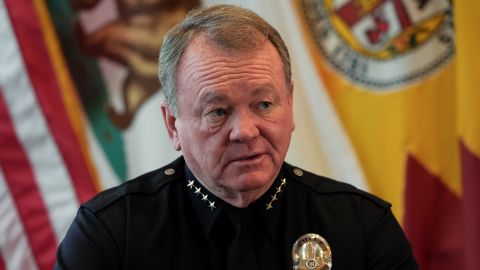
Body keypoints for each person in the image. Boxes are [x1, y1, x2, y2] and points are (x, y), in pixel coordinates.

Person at [55, 4, 418, 270]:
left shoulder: (362, 226)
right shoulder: (110, 235)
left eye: (263, 103)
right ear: (172, 126)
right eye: (217, 111)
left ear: (289, 104)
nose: (245, 132)